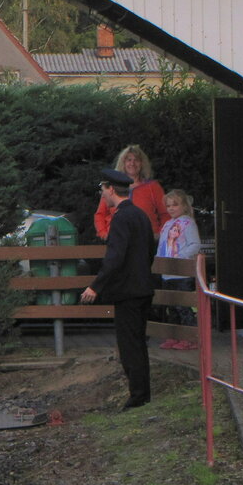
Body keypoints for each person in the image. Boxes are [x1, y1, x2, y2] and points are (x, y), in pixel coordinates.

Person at [81, 168, 157, 409]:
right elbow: (149, 251)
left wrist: (95, 286)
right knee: (138, 343)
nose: (101, 194)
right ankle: (142, 393)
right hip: (144, 287)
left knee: (129, 345)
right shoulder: (140, 215)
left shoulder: (121, 218)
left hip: (128, 291)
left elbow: (114, 258)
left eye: (102, 190)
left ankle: (138, 396)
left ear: (111, 189)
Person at [156, 189, 201, 350]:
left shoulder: (188, 223)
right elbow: (162, 245)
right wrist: (159, 260)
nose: (171, 208)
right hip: (167, 272)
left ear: (184, 205)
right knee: (171, 307)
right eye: (168, 205)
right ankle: (173, 336)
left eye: (175, 205)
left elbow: (195, 244)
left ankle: (190, 337)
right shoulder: (167, 224)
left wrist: (180, 256)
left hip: (182, 273)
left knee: (184, 307)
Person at [94, 144, 170, 239]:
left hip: (146, 241)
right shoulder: (112, 186)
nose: (132, 163)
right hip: (117, 239)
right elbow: (100, 214)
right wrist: (104, 234)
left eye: (136, 160)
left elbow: (165, 214)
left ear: (142, 164)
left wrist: (160, 234)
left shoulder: (153, 187)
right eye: (129, 160)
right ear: (123, 163)